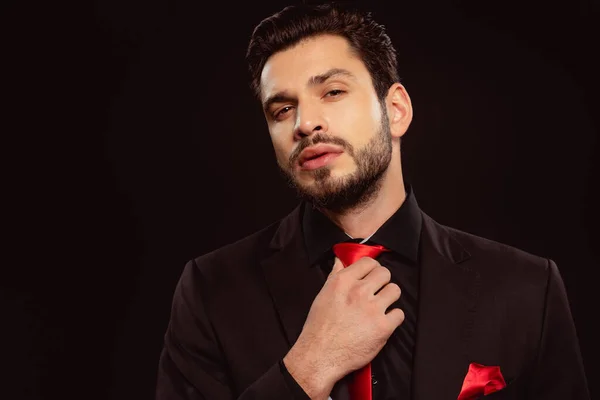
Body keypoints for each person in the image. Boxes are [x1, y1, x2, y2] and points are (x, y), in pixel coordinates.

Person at [155, 3, 589, 399]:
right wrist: (310, 367)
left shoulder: (527, 289)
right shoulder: (211, 291)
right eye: (282, 110)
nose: (306, 123)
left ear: (396, 110)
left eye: (333, 91)